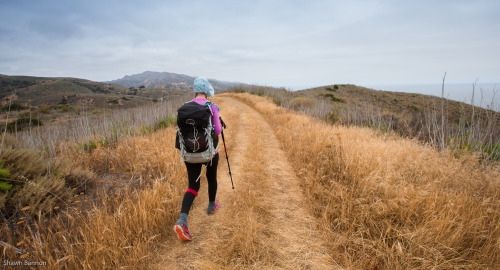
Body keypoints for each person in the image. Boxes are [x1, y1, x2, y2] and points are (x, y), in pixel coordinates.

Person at [174, 77, 222, 241]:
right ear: (207, 91)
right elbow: (217, 131)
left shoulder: (185, 107)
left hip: (189, 153)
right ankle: (211, 206)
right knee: (211, 177)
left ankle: (182, 220)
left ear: (195, 90)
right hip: (208, 153)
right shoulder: (212, 107)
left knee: (193, 186)